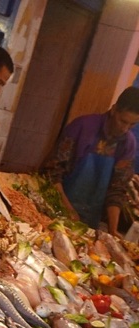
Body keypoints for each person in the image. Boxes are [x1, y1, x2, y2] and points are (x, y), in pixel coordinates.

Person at [42, 86, 139, 236]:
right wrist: (68, 210)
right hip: (55, 208)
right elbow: (52, 172)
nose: (125, 128)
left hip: (89, 220)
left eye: (132, 125)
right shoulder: (82, 126)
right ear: (114, 110)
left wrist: (113, 231)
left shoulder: (129, 144)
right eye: (123, 121)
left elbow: (117, 190)